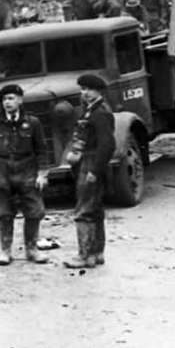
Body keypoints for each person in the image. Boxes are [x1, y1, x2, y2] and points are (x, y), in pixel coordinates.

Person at [0, 84, 50, 265]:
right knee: (4, 212)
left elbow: (41, 149)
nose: (7, 103)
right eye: (4, 100)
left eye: (11, 98)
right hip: (1, 169)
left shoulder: (32, 122)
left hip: (27, 169)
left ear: (20, 100)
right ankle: (5, 251)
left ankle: (32, 250)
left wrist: (42, 174)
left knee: (34, 211)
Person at [63, 74, 115, 269]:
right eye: (82, 89)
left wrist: (95, 169)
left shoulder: (99, 113)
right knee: (95, 208)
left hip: (92, 161)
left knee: (84, 209)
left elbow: (107, 144)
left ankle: (84, 256)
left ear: (98, 91)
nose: (84, 93)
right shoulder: (91, 110)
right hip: (89, 160)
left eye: (88, 89)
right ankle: (96, 253)